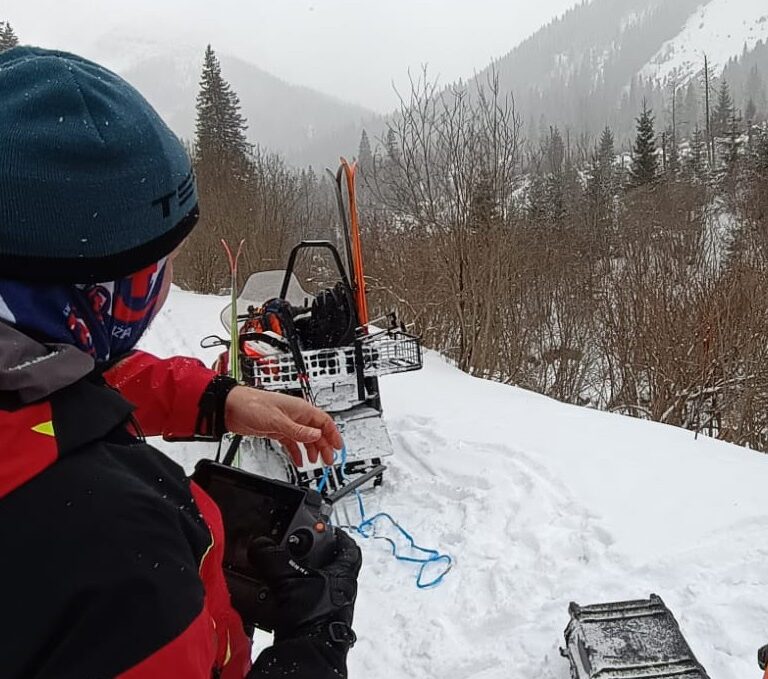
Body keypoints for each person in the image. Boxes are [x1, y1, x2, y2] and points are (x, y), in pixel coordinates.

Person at [0, 46, 361, 678]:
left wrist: (216, 400)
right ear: (85, 289)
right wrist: (314, 644)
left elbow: (64, 385)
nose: (162, 289)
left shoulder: (23, 364)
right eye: (149, 271)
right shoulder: (122, 556)